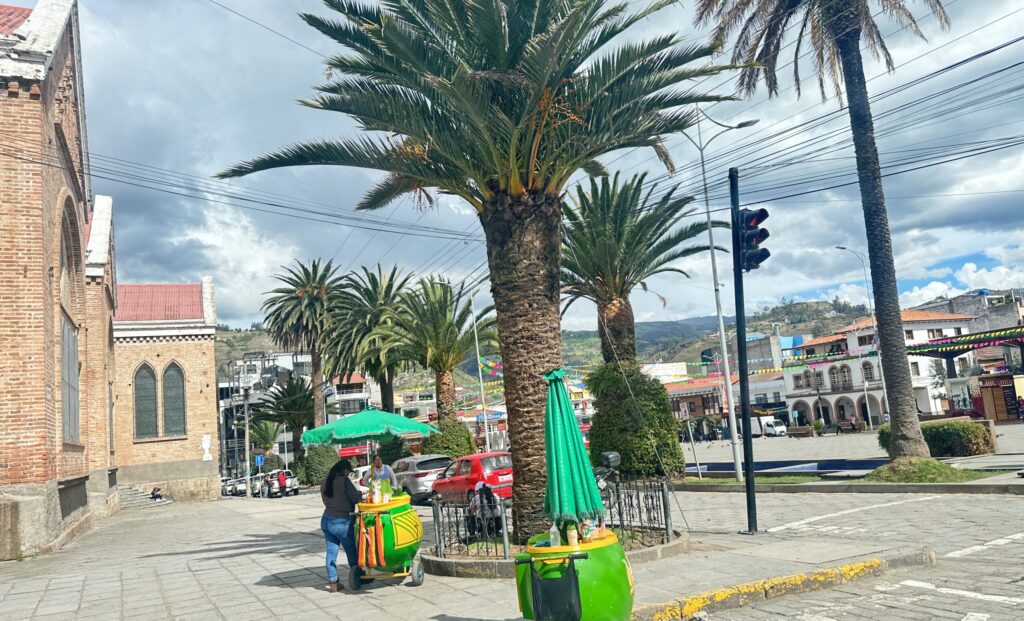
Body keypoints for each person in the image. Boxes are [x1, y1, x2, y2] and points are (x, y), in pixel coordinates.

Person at [321, 459, 363, 592]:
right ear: (344, 470)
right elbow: (355, 498)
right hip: (341, 521)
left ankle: (333, 582)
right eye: (348, 472)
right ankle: (357, 577)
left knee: (331, 552)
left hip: (326, 519)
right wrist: (361, 494)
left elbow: (324, 499)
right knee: (351, 550)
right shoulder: (344, 481)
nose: (348, 474)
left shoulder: (326, 480)